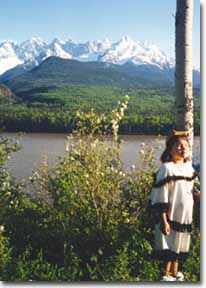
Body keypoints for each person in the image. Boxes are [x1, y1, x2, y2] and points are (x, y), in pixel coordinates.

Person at [149, 130, 200, 281]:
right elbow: (159, 197)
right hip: (170, 217)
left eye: (185, 145)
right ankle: (165, 276)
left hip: (185, 217)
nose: (182, 148)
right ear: (170, 149)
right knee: (168, 247)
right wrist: (163, 220)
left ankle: (175, 275)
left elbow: (191, 191)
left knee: (178, 247)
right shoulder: (166, 168)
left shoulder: (189, 168)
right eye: (178, 145)